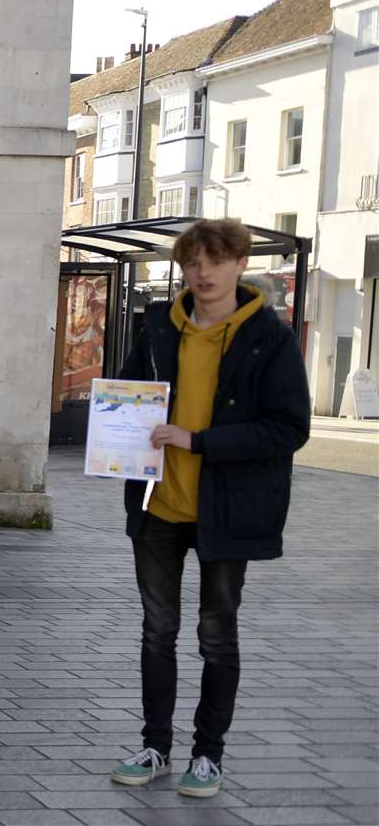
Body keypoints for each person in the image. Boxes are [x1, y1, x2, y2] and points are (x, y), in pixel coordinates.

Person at [105, 219, 309, 799]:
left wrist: (198, 441)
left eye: (216, 261)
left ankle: (207, 754)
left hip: (229, 509)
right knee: (156, 632)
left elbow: (290, 428)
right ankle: (155, 747)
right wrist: (112, 438)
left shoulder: (270, 337)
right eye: (193, 262)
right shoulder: (159, 328)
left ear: (240, 265)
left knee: (217, 636)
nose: (204, 272)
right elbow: (124, 395)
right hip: (158, 505)